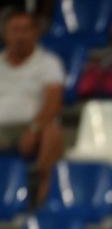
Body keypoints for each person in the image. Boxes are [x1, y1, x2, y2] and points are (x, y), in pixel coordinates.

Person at [0, 10, 64, 204]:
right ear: (5, 33)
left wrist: (34, 129)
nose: (20, 35)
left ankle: (40, 198)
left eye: (26, 30)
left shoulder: (49, 63)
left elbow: (53, 103)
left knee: (53, 133)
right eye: (15, 30)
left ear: (36, 33)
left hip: (34, 127)